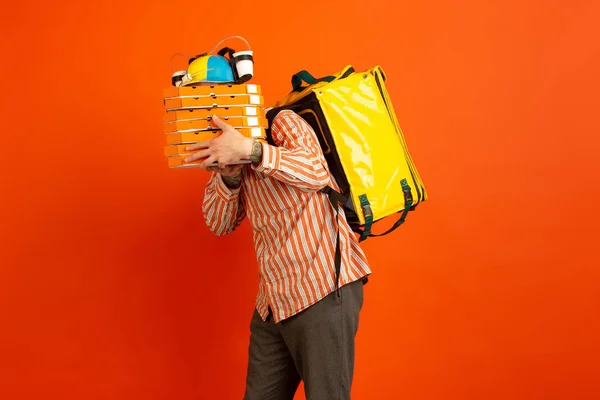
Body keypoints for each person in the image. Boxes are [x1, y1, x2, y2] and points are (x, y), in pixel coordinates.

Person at [184, 108, 372, 399]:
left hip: (322, 290)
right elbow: (218, 224)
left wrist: (253, 150)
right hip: (273, 304)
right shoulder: (231, 154)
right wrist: (231, 178)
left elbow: (315, 172)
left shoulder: (281, 122)